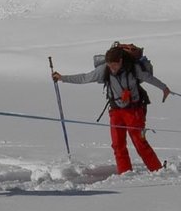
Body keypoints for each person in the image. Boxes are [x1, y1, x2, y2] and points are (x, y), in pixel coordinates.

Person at [52, 46, 171, 174]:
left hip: (134, 110)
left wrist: (164, 88)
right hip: (116, 111)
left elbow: (148, 78)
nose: (112, 68)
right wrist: (62, 78)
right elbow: (85, 78)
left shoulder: (133, 68)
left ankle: (157, 170)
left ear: (120, 61)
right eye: (109, 65)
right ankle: (125, 173)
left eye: (114, 65)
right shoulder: (104, 70)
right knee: (117, 145)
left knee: (140, 143)